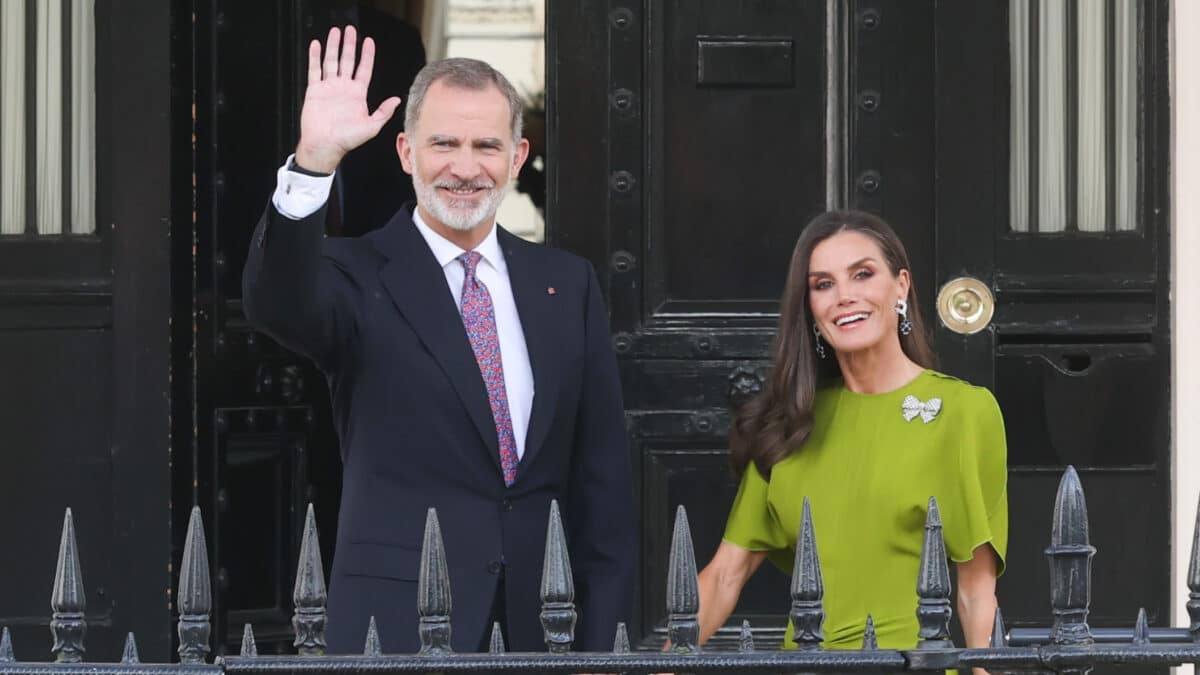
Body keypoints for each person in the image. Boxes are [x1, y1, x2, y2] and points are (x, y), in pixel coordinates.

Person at [242, 26, 634, 654]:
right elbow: (276, 305)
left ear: (516, 155)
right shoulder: (355, 273)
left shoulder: (566, 284)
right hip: (395, 622)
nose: (465, 167)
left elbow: (602, 484)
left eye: (486, 145)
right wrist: (313, 162)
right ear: (405, 152)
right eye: (443, 143)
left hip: (543, 624)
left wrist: (605, 645)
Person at [694, 211, 1006, 669]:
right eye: (823, 284)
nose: (844, 296)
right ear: (810, 306)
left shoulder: (963, 411)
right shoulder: (789, 423)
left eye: (862, 274)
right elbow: (725, 575)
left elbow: (976, 590)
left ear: (901, 286)